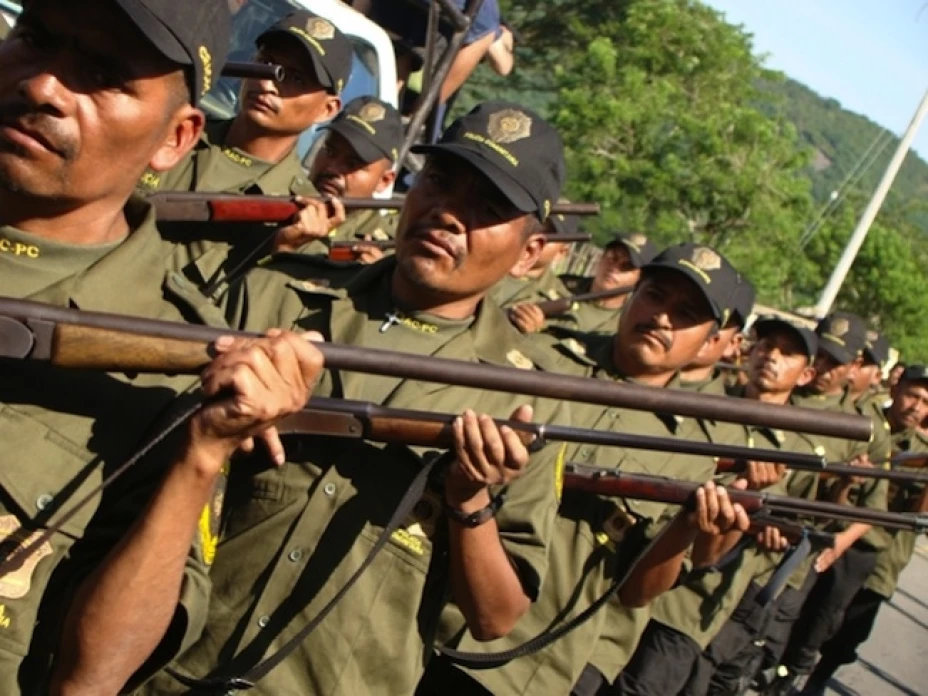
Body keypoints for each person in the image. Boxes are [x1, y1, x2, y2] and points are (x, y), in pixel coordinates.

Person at [147, 101, 573, 695]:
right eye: (442, 182)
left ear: (530, 253)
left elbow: (495, 618)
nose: (449, 213)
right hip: (165, 663)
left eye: (488, 209)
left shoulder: (532, 398)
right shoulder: (279, 294)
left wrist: (469, 499)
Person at [0, 0, 250, 692]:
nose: (44, 85)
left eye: (105, 75)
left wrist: (201, 456)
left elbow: (91, 678)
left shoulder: (173, 365)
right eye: (36, 38)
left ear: (176, 139)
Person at [417, 243, 756, 696]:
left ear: (712, 341)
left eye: (686, 313)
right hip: (425, 608)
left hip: (526, 663)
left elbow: (636, 594)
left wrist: (687, 529)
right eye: (655, 296)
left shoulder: (695, 450)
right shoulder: (539, 358)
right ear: (633, 295)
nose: (662, 318)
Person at [141, 8, 354, 273]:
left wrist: (279, 251)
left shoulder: (302, 219)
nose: (267, 84)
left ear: (327, 109)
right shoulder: (174, 132)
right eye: (266, 64)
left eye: (296, 78)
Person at [759, 312, 890, 695]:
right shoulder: (779, 394)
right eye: (820, 354)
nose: (822, 367)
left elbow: (869, 506)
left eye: (834, 362)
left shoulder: (862, 429)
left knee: (775, 642)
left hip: (800, 549)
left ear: (854, 366)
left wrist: (838, 544)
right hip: (744, 528)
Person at [805, 365, 928, 695]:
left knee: (849, 633)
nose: (917, 407)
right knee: (810, 618)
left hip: (883, 557)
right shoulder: (862, 422)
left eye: (927, 402)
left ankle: (816, 680)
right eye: (913, 396)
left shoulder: (921, 451)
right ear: (896, 388)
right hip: (834, 537)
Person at [275, 95, 403, 262]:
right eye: (329, 151)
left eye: (352, 163)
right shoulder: (276, 200)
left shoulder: (387, 250)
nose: (332, 168)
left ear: (383, 181)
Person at [493, 207, 576, 334]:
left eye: (549, 234)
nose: (535, 235)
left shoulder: (560, 305)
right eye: (536, 224)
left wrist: (534, 333)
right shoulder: (488, 259)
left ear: (561, 252)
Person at [559, 232, 658, 335]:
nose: (614, 268)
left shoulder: (625, 326)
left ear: (639, 278)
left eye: (627, 266)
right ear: (601, 257)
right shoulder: (562, 285)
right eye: (613, 257)